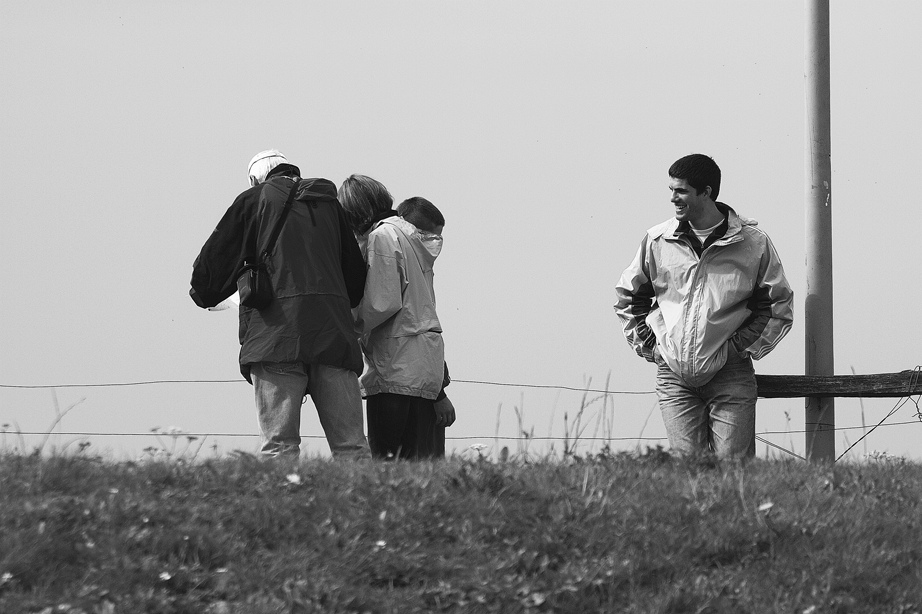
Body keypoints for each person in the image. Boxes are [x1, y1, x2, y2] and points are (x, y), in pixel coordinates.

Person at [190, 150, 371, 459]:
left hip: (275, 338)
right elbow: (355, 282)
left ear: (254, 180)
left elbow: (208, 276)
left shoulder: (252, 201)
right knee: (351, 448)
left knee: (280, 448)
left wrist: (210, 293)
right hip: (334, 338)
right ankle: (363, 508)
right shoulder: (330, 204)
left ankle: (284, 506)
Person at [613, 153, 793, 459]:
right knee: (688, 473)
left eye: (680, 191)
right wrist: (651, 347)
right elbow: (629, 298)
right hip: (673, 377)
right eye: (671, 190)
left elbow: (777, 306)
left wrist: (737, 350)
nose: (673, 198)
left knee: (734, 473)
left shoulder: (753, 243)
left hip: (731, 375)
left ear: (706, 192)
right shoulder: (657, 240)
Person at [337, 175, 454, 460]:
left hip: (395, 367)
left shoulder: (382, 236)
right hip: (424, 365)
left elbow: (382, 302)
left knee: (390, 464)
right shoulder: (411, 237)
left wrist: (347, 327)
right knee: (424, 465)